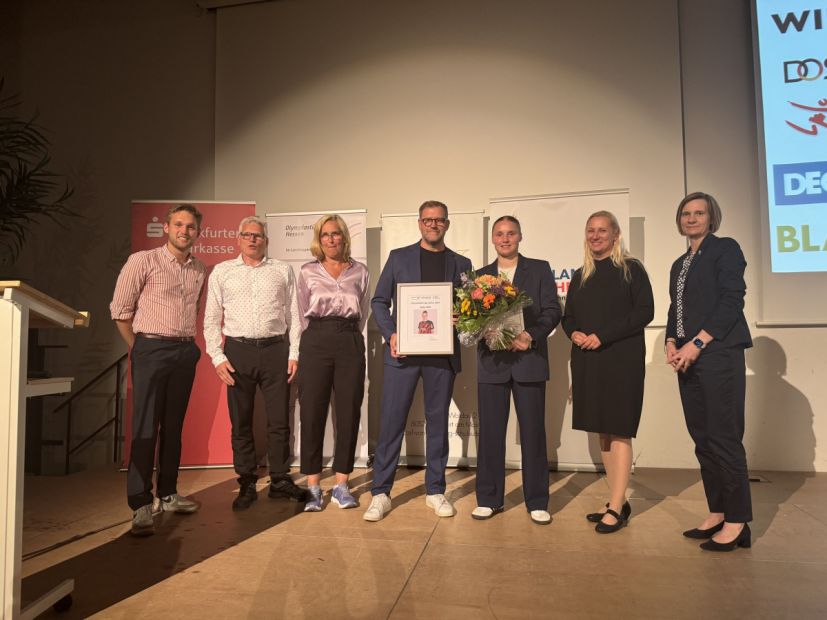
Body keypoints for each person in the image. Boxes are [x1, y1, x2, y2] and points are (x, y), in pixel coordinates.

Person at [364, 200, 472, 522]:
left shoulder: (462, 263)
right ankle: (381, 493)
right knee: (392, 422)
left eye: (439, 220)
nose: (433, 225)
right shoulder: (399, 258)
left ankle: (435, 490)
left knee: (438, 423)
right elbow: (379, 301)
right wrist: (392, 334)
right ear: (419, 223)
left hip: (441, 356)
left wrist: (461, 317)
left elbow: (473, 310)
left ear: (447, 225)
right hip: (403, 354)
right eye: (428, 220)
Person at [110, 204, 206, 536]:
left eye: (191, 226)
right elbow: (120, 311)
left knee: (173, 426)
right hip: (150, 347)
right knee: (145, 426)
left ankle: (167, 493)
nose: (184, 231)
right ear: (166, 228)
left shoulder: (199, 268)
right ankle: (140, 504)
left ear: (198, 232)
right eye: (178, 224)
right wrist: (140, 347)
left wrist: (188, 348)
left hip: (184, 350)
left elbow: (193, 309)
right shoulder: (142, 261)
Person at [666, 192, 753, 551]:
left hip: (718, 354)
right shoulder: (679, 262)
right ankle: (718, 511)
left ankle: (738, 521)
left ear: (711, 217)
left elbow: (733, 299)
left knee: (724, 438)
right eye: (686, 213)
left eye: (699, 213)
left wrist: (697, 343)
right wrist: (672, 341)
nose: (691, 218)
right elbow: (677, 308)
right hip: (687, 357)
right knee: (703, 439)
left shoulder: (725, 248)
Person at [203, 215, 305, 511]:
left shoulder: (282, 270)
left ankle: (280, 479)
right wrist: (217, 357)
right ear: (238, 239)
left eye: (257, 235)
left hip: (276, 349)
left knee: (279, 421)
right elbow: (211, 318)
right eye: (247, 235)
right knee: (241, 420)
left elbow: (294, 316)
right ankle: (246, 480)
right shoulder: (222, 272)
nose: (252, 239)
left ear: (266, 240)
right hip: (237, 351)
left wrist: (293, 353)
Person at [562, 211, 654, 533]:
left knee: (619, 429)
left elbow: (645, 311)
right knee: (602, 430)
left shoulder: (631, 269)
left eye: (602, 230)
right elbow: (568, 316)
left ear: (615, 235)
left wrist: (603, 335)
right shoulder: (580, 275)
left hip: (621, 360)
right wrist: (572, 333)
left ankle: (616, 505)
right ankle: (616, 501)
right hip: (588, 360)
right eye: (591, 231)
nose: (596, 236)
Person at [473, 216, 562, 525]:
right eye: (500, 234)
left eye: (511, 233)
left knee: (534, 435)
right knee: (491, 436)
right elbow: (470, 317)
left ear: (520, 236)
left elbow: (553, 311)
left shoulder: (538, 269)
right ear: (493, 239)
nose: (505, 238)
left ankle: (537, 500)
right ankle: (488, 499)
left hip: (529, 362)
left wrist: (529, 335)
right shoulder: (480, 275)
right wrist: (473, 328)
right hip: (492, 365)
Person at [296, 215, 370, 511]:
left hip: (349, 340)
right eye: (325, 235)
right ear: (319, 239)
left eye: (336, 234)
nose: (330, 239)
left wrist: (347, 335)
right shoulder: (307, 271)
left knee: (348, 411)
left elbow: (362, 312)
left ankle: (341, 484)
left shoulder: (360, 271)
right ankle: (313, 487)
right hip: (316, 339)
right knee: (312, 410)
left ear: (344, 237)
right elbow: (301, 312)